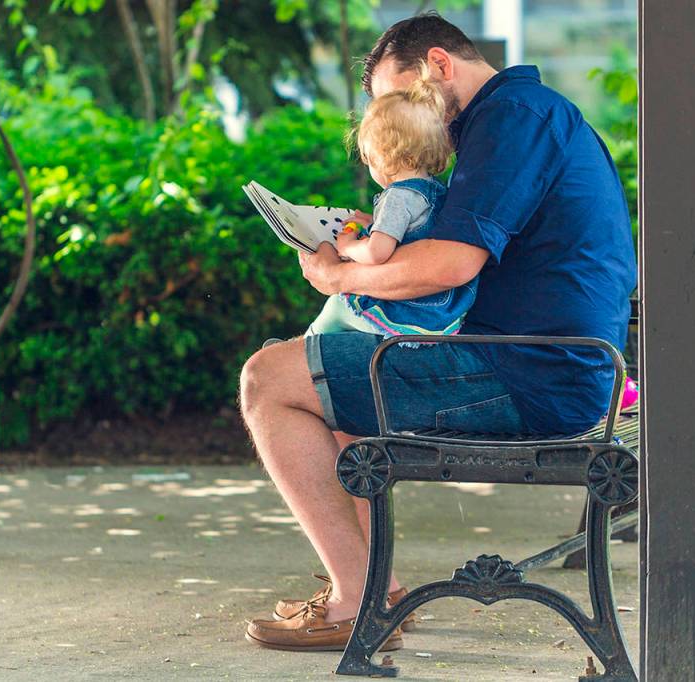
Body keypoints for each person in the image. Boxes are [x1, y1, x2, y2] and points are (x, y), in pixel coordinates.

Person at [241, 12, 637, 652]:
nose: (399, 118)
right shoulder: (520, 116)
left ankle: (354, 600)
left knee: (268, 378)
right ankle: (375, 590)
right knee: (329, 379)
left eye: (399, 98)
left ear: (438, 65)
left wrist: (339, 277)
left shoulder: (511, 119)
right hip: (543, 364)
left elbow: (451, 265)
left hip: (530, 375)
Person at [307, 66, 476, 338]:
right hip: (442, 310)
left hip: (412, 312)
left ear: (382, 155)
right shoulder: (434, 190)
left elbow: (377, 253)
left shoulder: (397, 197)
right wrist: (375, 223)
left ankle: (304, 346)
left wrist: (348, 246)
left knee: (337, 305)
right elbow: (408, 232)